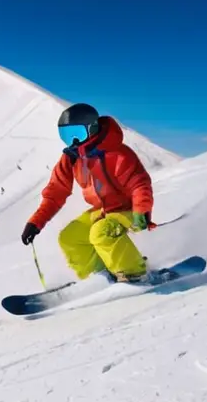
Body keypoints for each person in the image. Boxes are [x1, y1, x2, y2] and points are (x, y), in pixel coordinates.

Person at [21, 103, 157, 283]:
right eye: (67, 136)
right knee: (70, 237)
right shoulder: (71, 158)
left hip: (128, 208)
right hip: (102, 211)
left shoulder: (118, 153)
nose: (74, 141)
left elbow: (139, 184)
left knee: (101, 233)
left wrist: (141, 210)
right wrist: (35, 222)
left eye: (78, 133)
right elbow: (55, 192)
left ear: (92, 129)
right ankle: (100, 276)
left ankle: (135, 274)